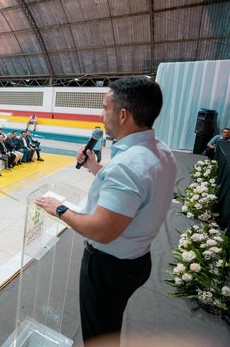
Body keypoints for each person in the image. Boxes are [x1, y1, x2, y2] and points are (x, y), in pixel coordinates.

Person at [35, 77, 176, 345]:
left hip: (108, 268)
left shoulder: (128, 165)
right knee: (109, 324)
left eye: (104, 107)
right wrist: (95, 169)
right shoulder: (161, 152)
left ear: (123, 114)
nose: (101, 115)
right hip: (136, 259)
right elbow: (137, 193)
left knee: (99, 335)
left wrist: (60, 209)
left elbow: (102, 230)